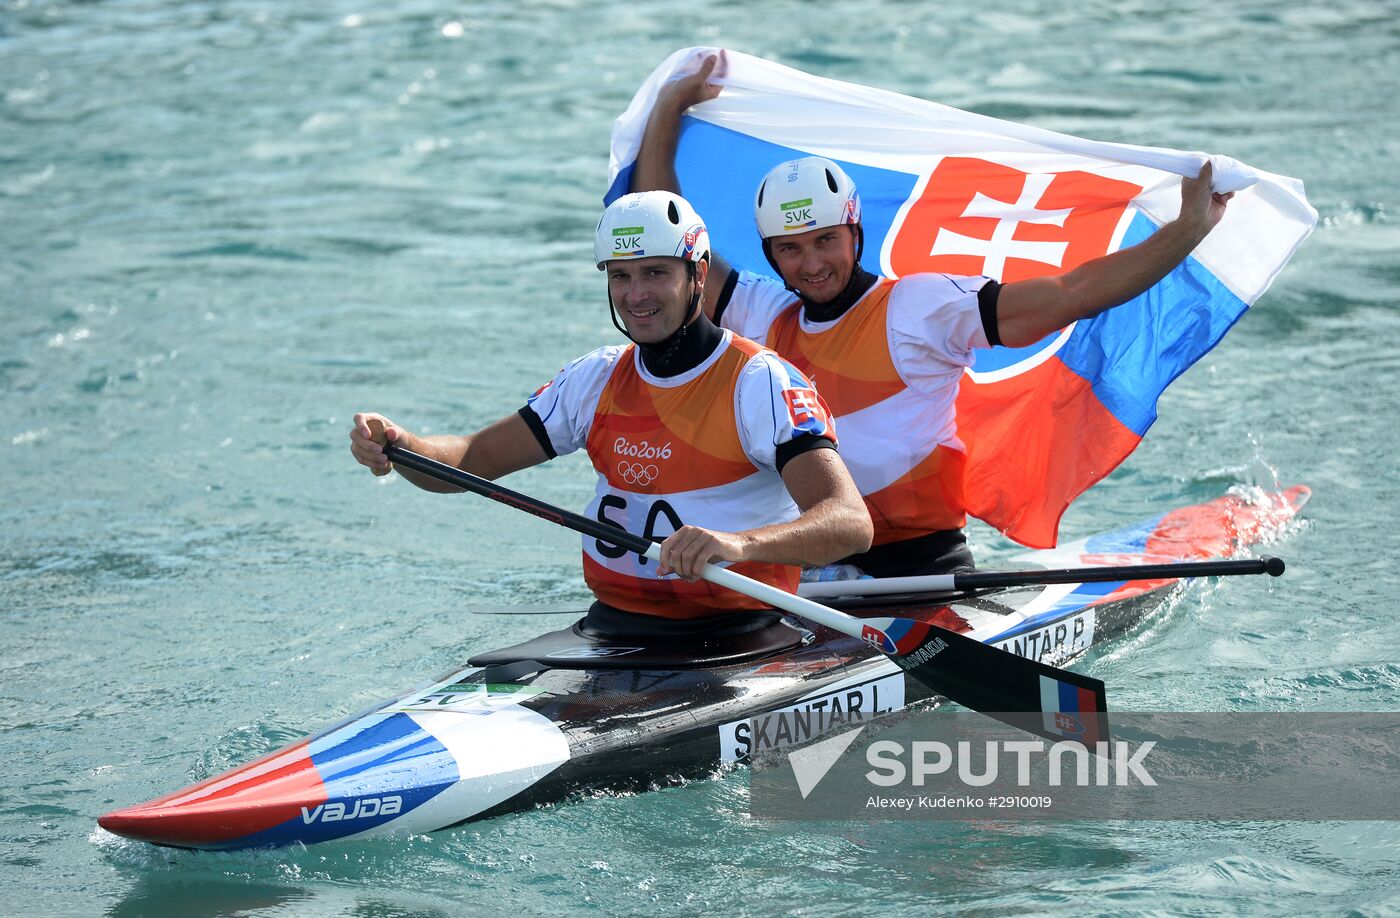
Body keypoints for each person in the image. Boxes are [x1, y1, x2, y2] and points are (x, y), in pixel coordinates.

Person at [629, 53, 1234, 577]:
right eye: (790, 249)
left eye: (825, 240)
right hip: (807, 571)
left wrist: (1186, 232)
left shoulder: (919, 307)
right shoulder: (763, 312)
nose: (811, 264)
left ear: (855, 233)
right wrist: (669, 109)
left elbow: (1070, 294)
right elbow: (666, 231)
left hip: (921, 567)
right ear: (770, 255)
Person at [350, 190, 873, 634]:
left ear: (698, 273)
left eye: (655, 273)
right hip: (612, 629)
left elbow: (850, 523)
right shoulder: (596, 377)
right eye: (620, 276)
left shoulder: (759, 383)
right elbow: (471, 459)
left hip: (739, 634)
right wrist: (402, 446)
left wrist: (738, 545)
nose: (636, 295)